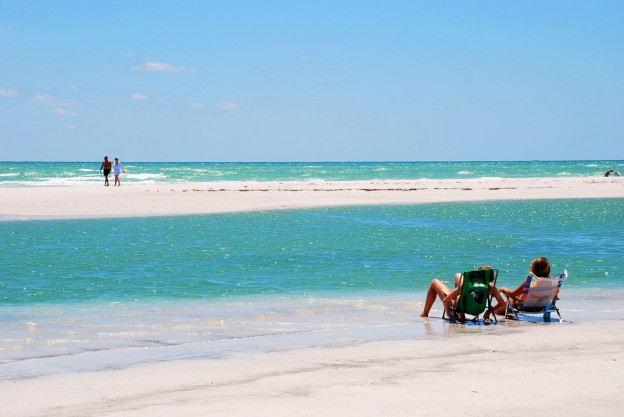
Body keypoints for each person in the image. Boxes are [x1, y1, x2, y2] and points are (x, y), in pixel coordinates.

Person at [420, 265, 504, 322]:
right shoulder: (491, 288)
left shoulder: (467, 285)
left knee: (434, 282)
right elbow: (502, 304)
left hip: (457, 306)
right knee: (458, 275)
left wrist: (449, 315)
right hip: (478, 310)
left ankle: (425, 314)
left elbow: (445, 301)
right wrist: (488, 312)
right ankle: (461, 313)